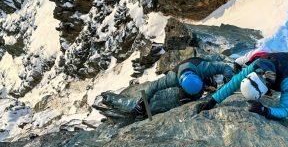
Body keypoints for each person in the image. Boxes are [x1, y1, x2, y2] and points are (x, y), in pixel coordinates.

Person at [198, 51, 288, 119]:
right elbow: (234, 82)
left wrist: (265, 111)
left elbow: (286, 110)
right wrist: (213, 101)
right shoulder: (259, 64)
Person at [93, 57, 234, 118]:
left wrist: (228, 80)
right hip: (190, 79)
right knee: (185, 100)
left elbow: (225, 67)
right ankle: (192, 101)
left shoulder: (205, 68)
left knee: (212, 85)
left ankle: (207, 86)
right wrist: (141, 103)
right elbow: (153, 87)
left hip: (200, 72)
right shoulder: (173, 78)